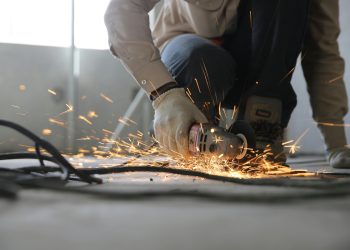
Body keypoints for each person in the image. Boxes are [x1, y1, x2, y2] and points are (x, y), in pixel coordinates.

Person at [104, 0, 350, 168]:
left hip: (260, 75)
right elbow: (122, 10)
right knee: (202, 59)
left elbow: (322, 52)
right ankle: (189, 128)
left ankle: (261, 129)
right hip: (193, 56)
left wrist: (337, 144)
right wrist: (164, 94)